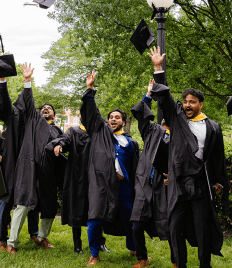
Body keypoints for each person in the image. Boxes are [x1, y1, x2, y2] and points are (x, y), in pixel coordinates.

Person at [148, 46, 229, 268]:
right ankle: (180, 264)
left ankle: (204, 265)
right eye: (185, 101)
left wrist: (219, 181)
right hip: (178, 184)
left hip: (200, 185)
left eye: (192, 102)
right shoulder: (178, 119)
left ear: (200, 104)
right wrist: (158, 68)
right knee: (175, 228)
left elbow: (217, 157)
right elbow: (164, 96)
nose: (187, 105)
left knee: (202, 229)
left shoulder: (213, 126)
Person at [80, 70, 139, 266]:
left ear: (123, 121)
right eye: (110, 117)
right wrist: (90, 89)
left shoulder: (129, 143)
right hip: (101, 185)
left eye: (117, 117)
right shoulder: (99, 132)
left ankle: (134, 248)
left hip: (123, 187)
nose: (113, 119)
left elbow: (137, 165)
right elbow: (91, 113)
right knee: (95, 219)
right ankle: (94, 253)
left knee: (132, 219)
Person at [6, 63, 66, 254]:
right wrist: (27, 80)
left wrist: (60, 145)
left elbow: (66, 145)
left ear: (55, 115)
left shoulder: (58, 131)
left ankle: (42, 237)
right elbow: (29, 102)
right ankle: (12, 242)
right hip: (29, 167)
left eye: (50, 108)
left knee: (48, 206)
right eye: (44, 108)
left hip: (48, 172)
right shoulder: (33, 119)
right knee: (23, 204)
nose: (46, 108)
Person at [0, 76, 40, 251]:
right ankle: (2, 239)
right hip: (10, 166)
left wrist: (28, 83)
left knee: (29, 201)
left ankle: (34, 235)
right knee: (5, 203)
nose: (23, 106)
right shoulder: (12, 116)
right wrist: (2, 82)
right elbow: (5, 100)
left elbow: (30, 103)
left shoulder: (33, 119)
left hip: (27, 166)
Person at [48, 118, 111, 254]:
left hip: (95, 176)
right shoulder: (73, 131)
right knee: (75, 209)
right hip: (77, 176)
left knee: (96, 209)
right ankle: (78, 245)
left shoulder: (99, 132)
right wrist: (60, 145)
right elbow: (65, 140)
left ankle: (100, 242)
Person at [130, 79, 175, 268]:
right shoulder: (152, 131)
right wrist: (148, 96)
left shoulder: (181, 136)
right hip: (144, 184)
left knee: (172, 226)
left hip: (164, 187)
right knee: (137, 224)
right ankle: (142, 258)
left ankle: (176, 261)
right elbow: (142, 116)